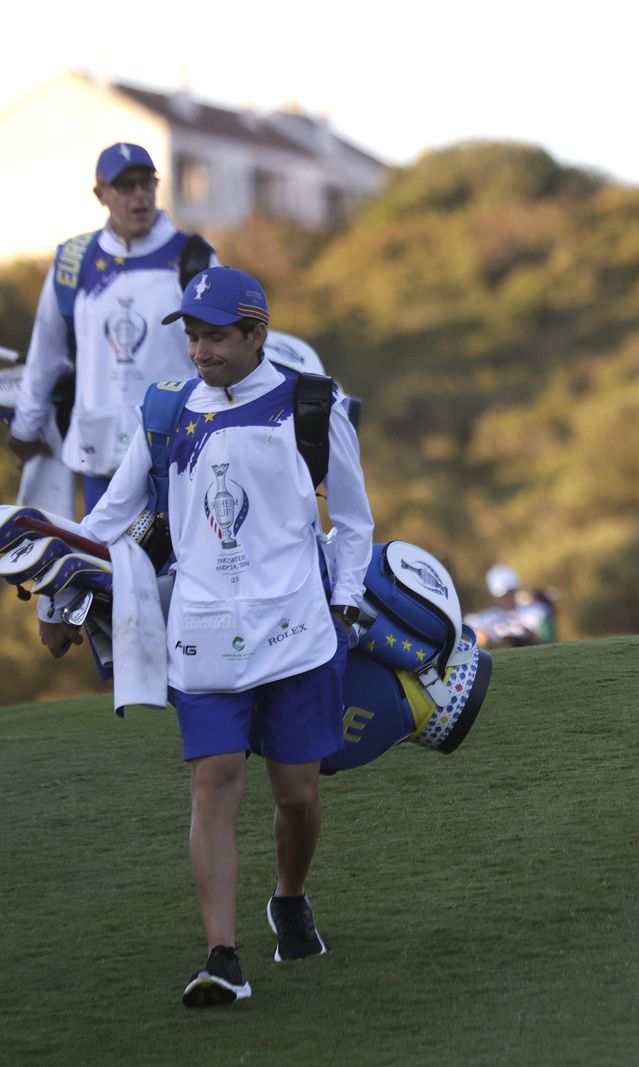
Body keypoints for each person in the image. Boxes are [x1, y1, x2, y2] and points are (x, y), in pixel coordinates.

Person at [37, 267, 374, 1007]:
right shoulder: (163, 411)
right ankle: (223, 955)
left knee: (297, 797)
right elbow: (104, 523)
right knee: (213, 779)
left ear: (257, 334)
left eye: (215, 336)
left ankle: (288, 895)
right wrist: (58, 594)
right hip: (203, 634)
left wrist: (345, 604)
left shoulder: (312, 405)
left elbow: (352, 522)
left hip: (298, 632)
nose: (198, 350)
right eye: (190, 335)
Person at [5, 143, 213, 515]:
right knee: (106, 570)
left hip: (176, 456)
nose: (139, 196)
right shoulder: (73, 262)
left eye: (146, 183)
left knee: (177, 573)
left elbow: (223, 351)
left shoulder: (193, 256)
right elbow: (46, 352)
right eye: (125, 185)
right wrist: (25, 429)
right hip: (100, 457)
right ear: (100, 194)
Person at [466, 563, 557, 648]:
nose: (506, 598)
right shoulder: (482, 619)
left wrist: (532, 639)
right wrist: (484, 641)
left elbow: (548, 641)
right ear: (493, 596)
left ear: (515, 590)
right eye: (502, 596)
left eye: (509, 593)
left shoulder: (537, 612)